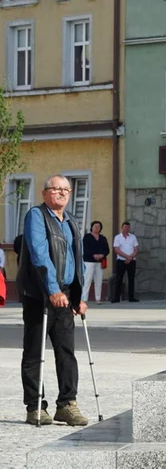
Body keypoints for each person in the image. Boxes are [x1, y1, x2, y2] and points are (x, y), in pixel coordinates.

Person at [16, 175, 89, 426]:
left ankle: (67, 404)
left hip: (66, 295)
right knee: (35, 351)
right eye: (56, 189)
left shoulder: (71, 222)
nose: (62, 193)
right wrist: (52, 290)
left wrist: (78, 297)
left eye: (66, 189)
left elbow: (78, 261)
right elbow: (39, 255)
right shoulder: (37, 216)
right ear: (45, 192)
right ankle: (35, 406)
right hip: (39, 295)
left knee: (67, 352)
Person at [80, 221, 109, 304]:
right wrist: (93, 255)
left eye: (98, 226)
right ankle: (84, 299)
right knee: (87, 280)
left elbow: (107, 249)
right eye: (95, 226)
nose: (97, 228)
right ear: (92, 227)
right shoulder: (87, 237)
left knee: (99, 280)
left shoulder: (103, 238)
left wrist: (102, 255)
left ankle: (98, 298)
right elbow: (85, 249)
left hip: (100, 262)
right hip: (89, 261)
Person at [111, 221, 139, 303]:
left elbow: (136, 249)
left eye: (128, 227)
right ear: (122, 228)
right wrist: (127, 257)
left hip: (132, 261)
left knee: (131, 279)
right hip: (121, 260)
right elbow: (117, 250)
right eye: (125, 227)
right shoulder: (117, 237)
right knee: (119, 279)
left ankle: (131, 297)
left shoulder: (133, 237)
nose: (127, 228)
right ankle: (116, 298)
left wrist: (130, 257)